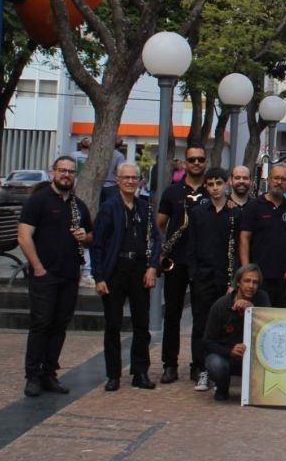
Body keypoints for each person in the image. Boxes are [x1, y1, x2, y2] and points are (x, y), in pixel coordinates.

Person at [16, 156, 91, 397]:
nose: (67, 175)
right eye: (62, 171)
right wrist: (37, 267)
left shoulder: (79, 206)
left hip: (69, 276)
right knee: (41, 324)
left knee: (59, 326)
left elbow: (90, 236)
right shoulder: (38, 201)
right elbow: (24, 237)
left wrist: (84, 237)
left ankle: (49, 373)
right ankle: (32, 376)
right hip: (45, 275)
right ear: (52, 173)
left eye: (70, 171)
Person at [90, 162, 161, 391]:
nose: (131, 181)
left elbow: (157, 240)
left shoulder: (145, 207)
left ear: (140, 180)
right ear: (118, 180)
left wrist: (152, 267)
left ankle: (140, 372)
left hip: (140, 269)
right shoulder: (108, 207)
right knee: (113, 324)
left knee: (142, 323)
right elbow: (97, 244)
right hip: (115, 269)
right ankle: (113, 375)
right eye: (126, 177)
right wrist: (99, 276)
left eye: (134, 177)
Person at [155, 143, 207, 384]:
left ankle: (198, 365)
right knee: (173, 315)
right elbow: (159, 224)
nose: (196, 163)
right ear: (185, 162)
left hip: (202, 263)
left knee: (200, 317)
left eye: (200, 159)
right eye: (192, 159)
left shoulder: (212, 190)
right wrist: (161, 251)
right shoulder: (172, 192)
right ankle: (170, 364)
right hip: (176, 260)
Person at [186, 166, 242, 392]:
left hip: (226, 279)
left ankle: (223, 367)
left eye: (219, 183)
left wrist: (234, 282)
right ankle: (200, 368)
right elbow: (191, 247)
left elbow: (239, 248)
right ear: (206, 187)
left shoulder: (235, 214)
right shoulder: (198, 213)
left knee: (226, 325)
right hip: (203, 278)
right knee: (200, 325)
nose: (215, 188)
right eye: (211, 184)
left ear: (226, 184)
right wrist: (194, 275)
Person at [202, 263, 270, 401]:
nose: (251, 286)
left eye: (255, 282)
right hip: (226, 356)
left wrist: (253, 311)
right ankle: (222, 388)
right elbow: (207, 342)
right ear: (238, 282)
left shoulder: (262, 298)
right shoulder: (220, 305)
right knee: (216, 364)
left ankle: (253, 390)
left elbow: (269, 329)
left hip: (253, 357)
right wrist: (230, 350)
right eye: (247, 281)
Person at [238, 164, 286, 307]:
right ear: (269, 180)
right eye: (276, 178)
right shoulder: (254, 206)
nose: (279, 182)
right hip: (260, 276)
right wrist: (246, 271)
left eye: (283, 179)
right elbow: (244, 238)